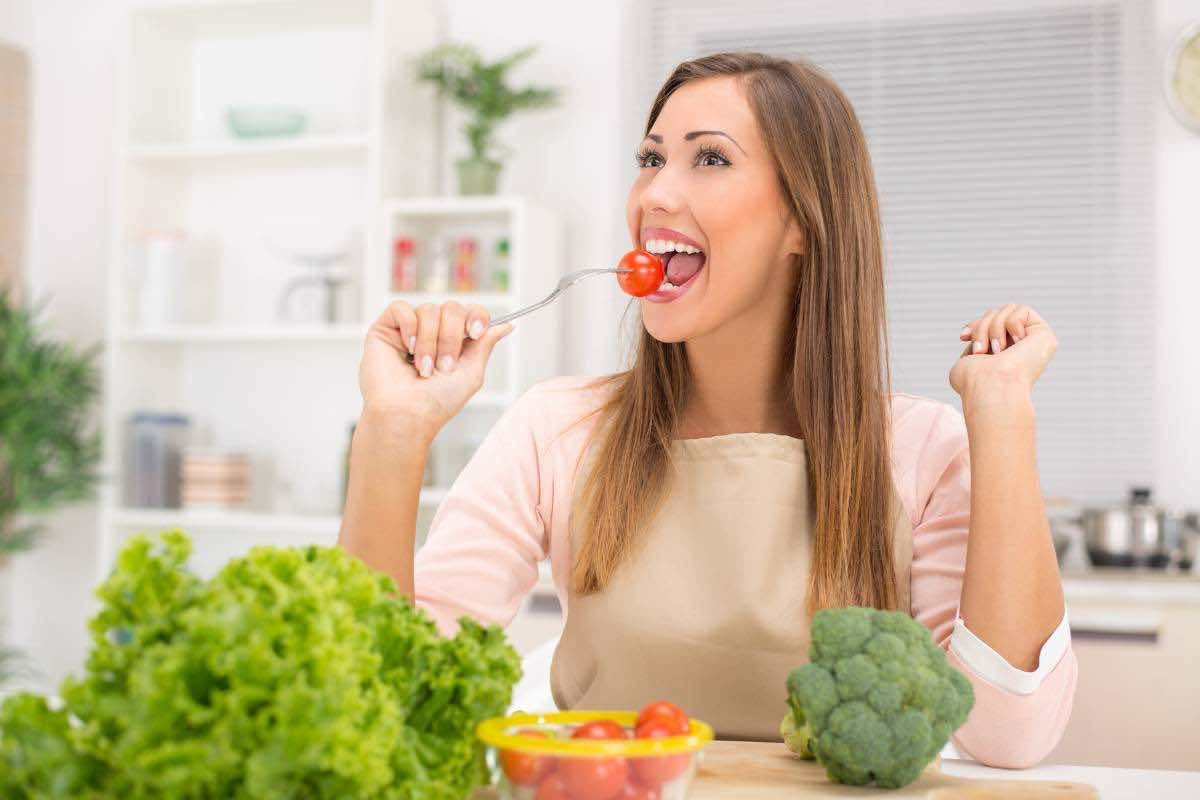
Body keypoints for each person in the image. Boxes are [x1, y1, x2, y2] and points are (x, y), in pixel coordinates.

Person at [338, 52, 1075, 768]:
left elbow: (1009, 735)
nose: (654, 194)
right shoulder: (555, 428)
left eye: (710, 159)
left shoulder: (920, 448)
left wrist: (1003, 413)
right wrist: (392, 434)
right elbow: (385, 694)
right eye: (651, 159)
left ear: (803, 221)